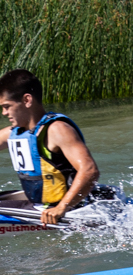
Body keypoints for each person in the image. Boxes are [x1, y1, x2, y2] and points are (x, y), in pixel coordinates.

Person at [1, 67, 113, 225]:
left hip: (69, 209)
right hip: (39, 205)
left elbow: (89, 171)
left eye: (7, 106)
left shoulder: (57, 130)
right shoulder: (15, 133)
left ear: (27, 100)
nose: (4, 113)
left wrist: (61, 208)